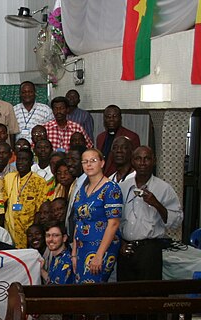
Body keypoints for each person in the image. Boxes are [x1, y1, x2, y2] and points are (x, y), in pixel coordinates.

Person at [117, 146, 183, 281]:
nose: (142, 163)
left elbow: (176, 221)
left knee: (149, 295)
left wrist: (156, 203)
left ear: (154, 161)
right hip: (125, 249)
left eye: (147, 159)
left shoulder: (164, 188)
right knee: (124, 296)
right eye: (138, 159)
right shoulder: (122, 187)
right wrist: (120, 243)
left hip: (150, 250)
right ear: (132, 161)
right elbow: (114, 219)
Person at [71, 148, 122, 283]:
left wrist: (99, 255)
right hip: (82, 246)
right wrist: (74, 253)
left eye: (93, 161)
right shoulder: (82, 189)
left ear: (102, 163)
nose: (89, 165)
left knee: (93, 289)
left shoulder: (111, 188)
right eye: (85, 162)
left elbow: (114, 223)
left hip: (101, 248)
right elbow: (78, 221)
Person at [4, 149, 47, 248]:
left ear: (31, 162)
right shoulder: (9, 178)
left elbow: (40, 210)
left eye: (25, 159)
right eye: (19, 159)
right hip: (10, 231)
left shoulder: (39, 182)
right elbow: (4, 204)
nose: (21, 163)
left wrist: (34, 233)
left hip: (29, 234)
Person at [97, 105, 141, 176]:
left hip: (123, 178)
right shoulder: (100, 137)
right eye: (108, 117)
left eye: (114, 116)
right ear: (104, 119)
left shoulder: (131, 136)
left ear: (120, 118)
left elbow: (135, 161)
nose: (111, 119)